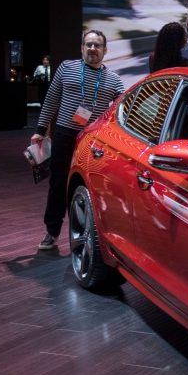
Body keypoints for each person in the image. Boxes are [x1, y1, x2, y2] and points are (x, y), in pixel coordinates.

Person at [31, 30, 125, 250]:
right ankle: (52, 232)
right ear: (82, 47)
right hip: (64, 134)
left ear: (105, 50)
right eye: (89, 44)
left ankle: (85, 233)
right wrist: (40, 130)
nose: (93, 48)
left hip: (92, 141)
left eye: (97, 45)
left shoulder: (113, 79)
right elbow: (51, 100)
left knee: (87, 186)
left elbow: (124, 106)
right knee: (58, 185)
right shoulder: (67, 68)